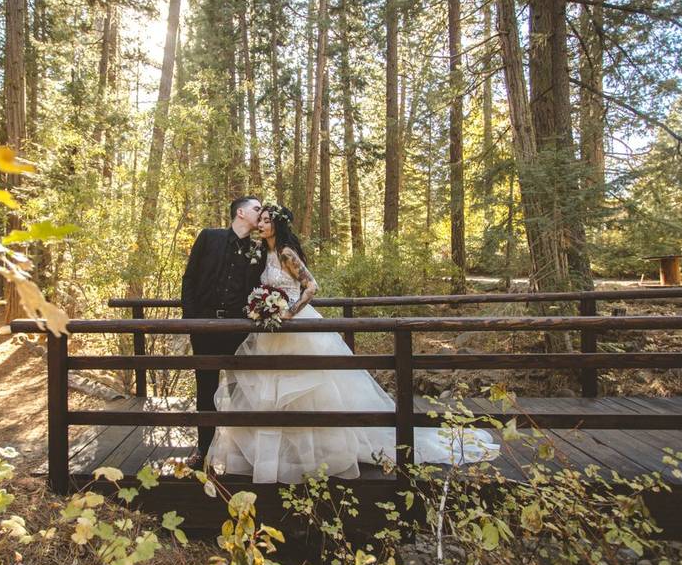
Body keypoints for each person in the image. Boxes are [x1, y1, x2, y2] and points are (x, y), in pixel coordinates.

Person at [206, 204, 499, 484]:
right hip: (271, 332)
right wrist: (263, 306)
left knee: (310, 390)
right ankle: (283, 454)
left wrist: (288, 312)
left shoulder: (286, 253)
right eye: (262, 219)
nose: (262, 224)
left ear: (277, 225)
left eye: (267, 220)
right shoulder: (262, 252)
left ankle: (320, 452)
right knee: (270, 392)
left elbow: (312, 286)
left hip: (296, 325)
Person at [181, 195, 265, 469]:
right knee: (206, 389)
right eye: (256, 208)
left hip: (237, 329)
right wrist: (191, 320)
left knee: (241, 389)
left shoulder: (258, 250)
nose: (261, 213)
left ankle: (241, 453)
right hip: (203, 326)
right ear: (240, 213)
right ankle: (204, 451)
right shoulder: (209, 237)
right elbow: (189, 279)